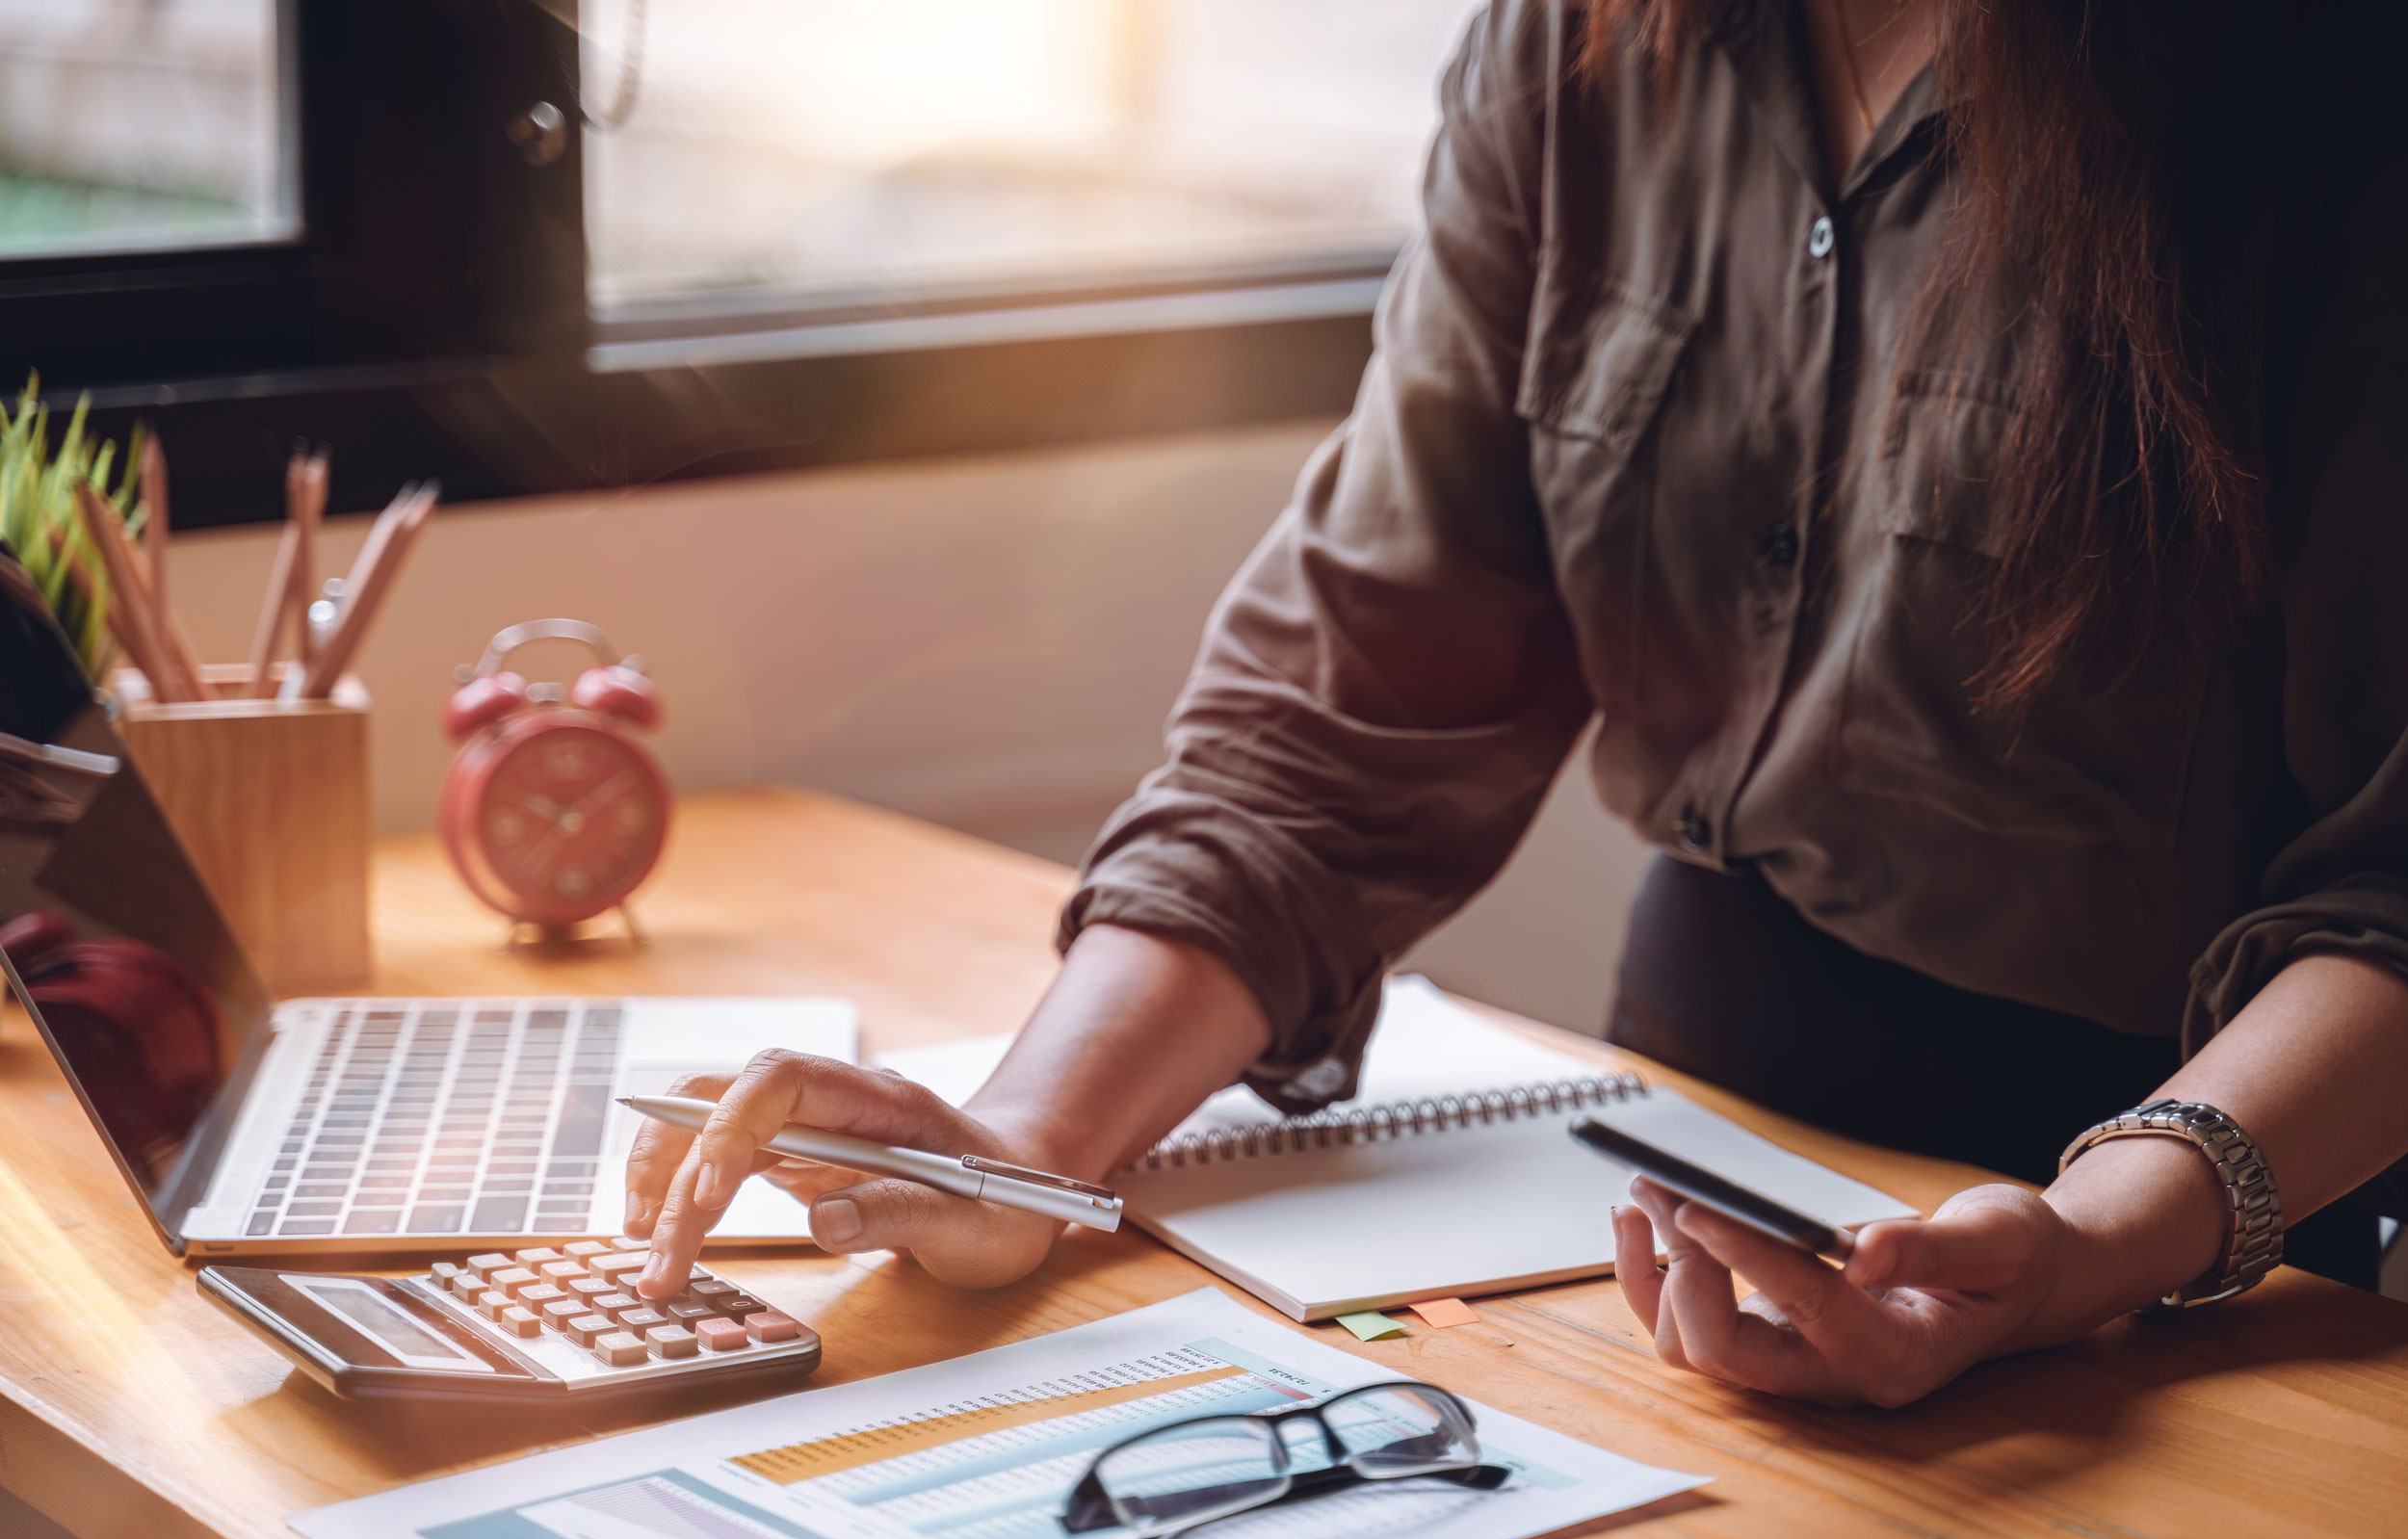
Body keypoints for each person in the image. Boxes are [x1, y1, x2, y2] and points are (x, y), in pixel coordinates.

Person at [629, 0, 2408, 1407]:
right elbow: (1342, 719)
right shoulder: (1576, 47)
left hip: (2224, 1210)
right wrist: (1024, 1151)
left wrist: (2111, 1233)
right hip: (1709, 1141)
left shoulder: (2324, 85)